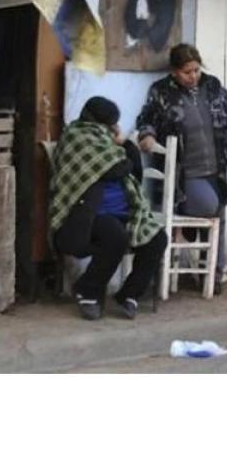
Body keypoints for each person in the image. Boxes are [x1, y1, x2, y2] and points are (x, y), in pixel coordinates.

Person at [135, 43, 227, 295]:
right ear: (174, 72)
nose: (193, 76)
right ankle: (204, 269)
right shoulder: (161, 92)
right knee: (211, 206)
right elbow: (146, 119)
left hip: (217, 167)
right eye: (187, 72)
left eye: (196, 70)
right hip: (186, 174)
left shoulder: (212, 85)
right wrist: (148, 137)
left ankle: (211, 277)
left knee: (220, 212)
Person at [50, 97, 168, 321]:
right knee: (115, 235)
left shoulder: (107, 143)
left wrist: (124, 144)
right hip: (86, 215)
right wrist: (123, 153)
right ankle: (88, 290)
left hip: (124, 211)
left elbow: (134, 171)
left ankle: (129, 294)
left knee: (157, 239)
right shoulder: (77, 136)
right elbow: (115, 170)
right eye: (111, 124)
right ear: (99, 123)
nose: (114, 128)